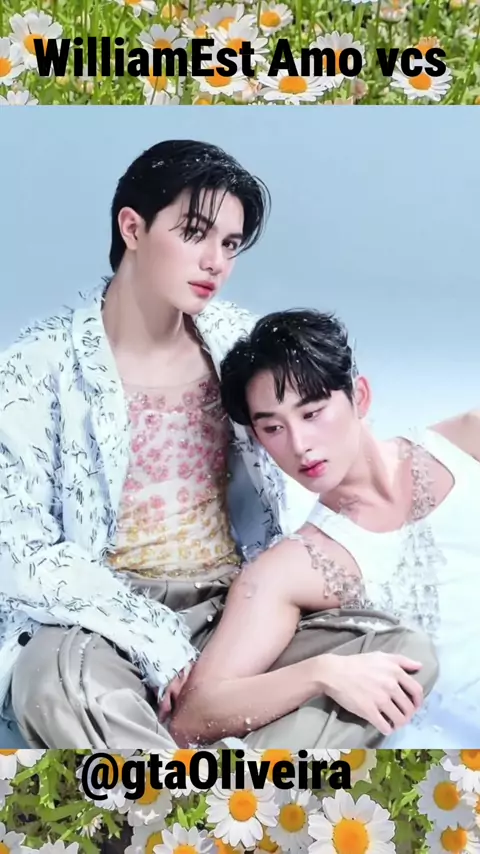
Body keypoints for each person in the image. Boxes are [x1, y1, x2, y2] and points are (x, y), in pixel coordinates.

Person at [0, 140, 436, 750]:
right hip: (103, 620)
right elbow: (18, 550)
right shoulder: (34, 368)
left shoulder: (236, 340)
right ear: (132, 228)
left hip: (235, 609)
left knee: (398, 654)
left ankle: (190, 778)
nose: (215, 262)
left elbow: (323, 435)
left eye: (230, 244)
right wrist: (154, 637)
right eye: (194, 233)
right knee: (52, 685)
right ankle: (225, 788)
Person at [170, 308, 480, 749]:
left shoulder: (465, 444)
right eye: (273, 427)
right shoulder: (290, 569)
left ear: (360, 396)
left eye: (312, 413)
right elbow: (194, 716)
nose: (299, 444)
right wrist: (321, 673)